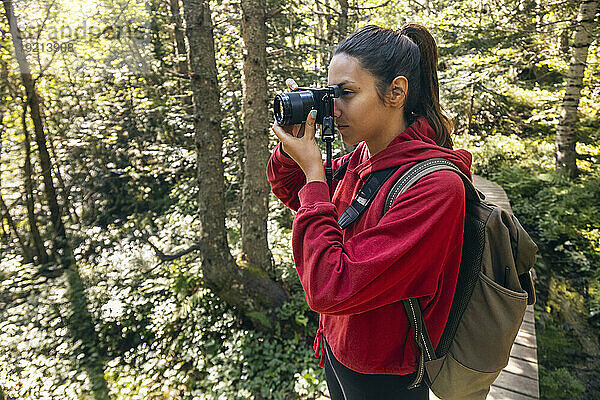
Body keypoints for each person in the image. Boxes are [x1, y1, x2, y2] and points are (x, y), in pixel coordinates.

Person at [267, 24, 473, 400]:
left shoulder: (437, 188)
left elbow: (330, 284)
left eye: (346, 93)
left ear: (395, 93)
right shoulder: (364, 156)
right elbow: (294, 192)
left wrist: (315, 173)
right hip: (337, 345)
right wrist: (294, 144)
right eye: (331, 94)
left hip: (386, 373)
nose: (334, 107)